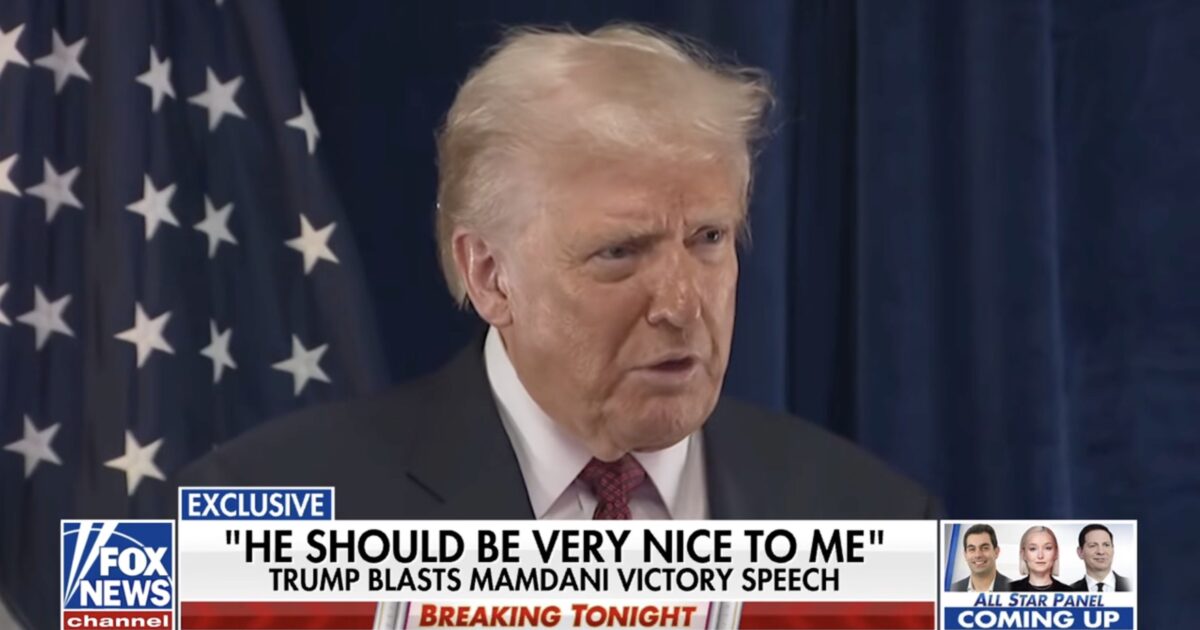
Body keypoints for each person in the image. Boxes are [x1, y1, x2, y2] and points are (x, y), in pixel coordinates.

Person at [176, 24, 939, 520]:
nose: (680, 303)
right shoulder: (261, 515)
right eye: (620, 252)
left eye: (708, 238)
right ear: (489, 275)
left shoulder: (881, 522)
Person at [1008, 526, 1074, 592]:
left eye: (1048, 548)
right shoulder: (1006, 590)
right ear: (1023, 554)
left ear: (1056, 553)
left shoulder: (1071, 593)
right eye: (1033, 549)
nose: (1040, 556)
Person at [1071, 524, 1131, 592]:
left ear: (1113, 549)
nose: (1101, 552)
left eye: (1106, 545)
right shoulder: (1069, 591)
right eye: (1092, 546)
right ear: (1080, 552)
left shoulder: (1133, 586)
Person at [951, 524, 1011, 592]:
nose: (978, 555)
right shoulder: (952, 589)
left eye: (985, 548)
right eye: (972, 549)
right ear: (965, 554)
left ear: (996, 552)